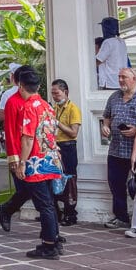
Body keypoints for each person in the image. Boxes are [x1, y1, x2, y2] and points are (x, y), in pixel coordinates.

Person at [9, 69, 63, 259]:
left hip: (36, 163)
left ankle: (49, 245)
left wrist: (22, 163)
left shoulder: (29, 107)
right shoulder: (47, 106)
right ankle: (54, 240)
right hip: (50, 159)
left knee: (44, 206)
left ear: (22, 86)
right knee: (49, 203)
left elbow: (27, 139)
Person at [100, 66, 136, 228]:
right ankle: (121, 217)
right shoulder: (114, 97)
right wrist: (105, 127)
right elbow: (107, 116)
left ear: (134, 78)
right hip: (116, 149)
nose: (121, 80)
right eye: (119, 77)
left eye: (124, 77)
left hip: (135, 151)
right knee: (116, 184)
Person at [0, 65, 34, 232]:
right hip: (19, 147)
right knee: (25, 189)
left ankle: (51, 233)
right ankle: (8, 208)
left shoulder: (35, 98)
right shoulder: (10, 98)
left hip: (34, 148)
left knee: (42, 191)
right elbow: (9, 127)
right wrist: (14, 158)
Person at [51, 78, 81, 225]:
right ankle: (56, 212)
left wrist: (58, 123)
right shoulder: (55, 108)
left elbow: (73, 132)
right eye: (53, 94)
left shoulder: (72, 109)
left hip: (68, 146)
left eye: (57, 93)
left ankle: (70, 213)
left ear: (65, 92)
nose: (55, 97)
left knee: (69, 179)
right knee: (55, 178)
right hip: (56, 146)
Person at [96, 17, 129, 90]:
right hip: (120, 80)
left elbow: (99, 60)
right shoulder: (121, 42)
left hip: (110, 82)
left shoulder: (108, 42)